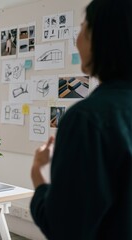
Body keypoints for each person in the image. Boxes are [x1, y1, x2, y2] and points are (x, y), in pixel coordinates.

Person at [30, 0, 132, 239]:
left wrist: (38, 174)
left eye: (83, 29)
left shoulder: (87, 119)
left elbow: (64, 228)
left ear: (104, 39)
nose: (77, 40)